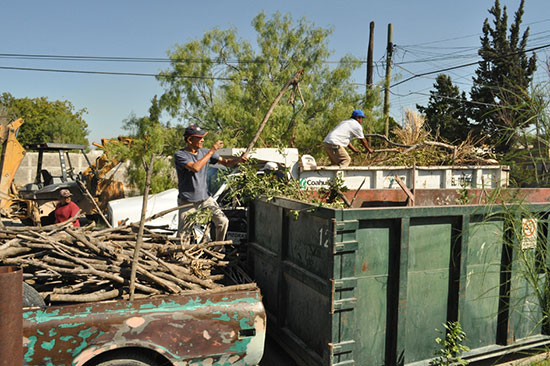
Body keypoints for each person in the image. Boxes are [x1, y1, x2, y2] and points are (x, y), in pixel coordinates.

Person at [174, 125, 246, 241]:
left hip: (205, 199)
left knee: (223, 221)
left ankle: (217, 248)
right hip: (188, 202)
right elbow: (195, 168)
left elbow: (226, 163)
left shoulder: (205, 152)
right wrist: (212, 151)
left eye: (203, 137)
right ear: (190, 140)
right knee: (184, 234)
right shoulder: (180, 155)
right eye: (200, 138)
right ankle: (180, 256)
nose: (203, 140)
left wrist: (238, 160)